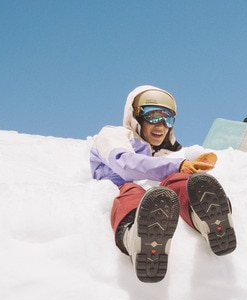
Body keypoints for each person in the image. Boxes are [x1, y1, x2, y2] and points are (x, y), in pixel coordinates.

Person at [90, 85, 236, 283]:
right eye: (153, 116)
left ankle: (202, 218)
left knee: (176, 181)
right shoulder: (113, 134)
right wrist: (177, 165)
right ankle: (135, 236)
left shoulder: (161, 154)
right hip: (122, 191)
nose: (161, 126)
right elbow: (125, 163)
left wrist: (194, 166)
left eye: (168, 119)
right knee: (133, 191)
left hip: (154, 195)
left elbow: (171, 165)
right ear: (136, 116)